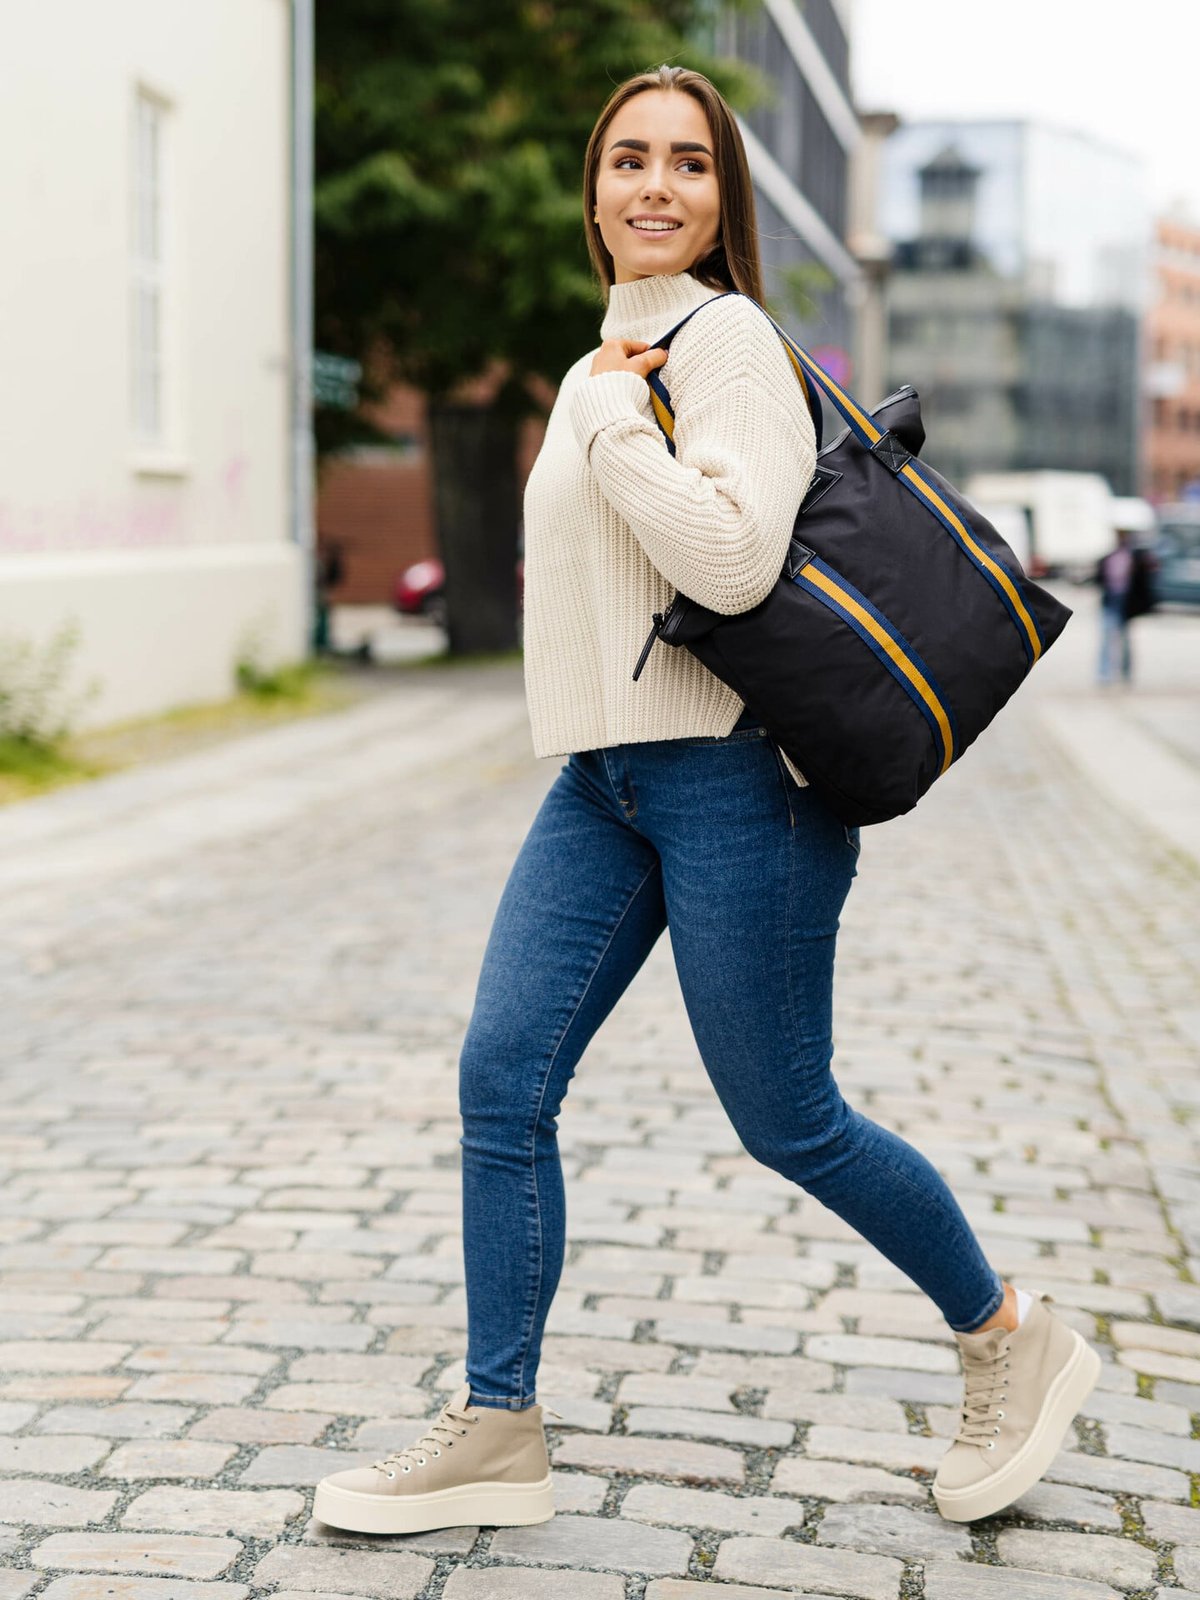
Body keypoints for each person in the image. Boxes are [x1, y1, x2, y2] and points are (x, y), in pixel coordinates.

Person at [313, 63, 1101, 1538]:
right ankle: (498, 1428)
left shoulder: (725, 342)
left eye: (687, 162)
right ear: (594, 186)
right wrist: (602, 415)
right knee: (502, 1079)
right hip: (607, 779)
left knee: (788, 1118)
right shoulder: (600, 355)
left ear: (725, 196)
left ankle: (1011, 1334)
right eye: (627, 159)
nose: (655, 186)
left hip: (744, 779)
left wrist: (613, 433)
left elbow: (732, 564)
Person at [1096, 526, 1155, 685]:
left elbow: (1144, 581)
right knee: (1106, 638)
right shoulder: (1109, 557)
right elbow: (1101, 578)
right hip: (1111, 600)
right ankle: (1104, 674)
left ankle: (1126, 673)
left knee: (1125, 641)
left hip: (1127, 603)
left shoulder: (1135, 557)